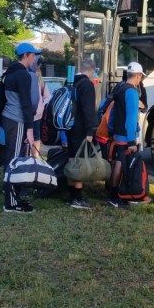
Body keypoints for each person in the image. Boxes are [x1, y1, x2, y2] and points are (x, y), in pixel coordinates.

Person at [2, 43, 41, 214]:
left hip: (9, 118)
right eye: (33, 55)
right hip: (17, 120)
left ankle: (14, 198)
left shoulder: (9, 73)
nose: (35, 58)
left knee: (14, 158)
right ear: (25, 55)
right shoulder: (23, 75)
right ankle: (10, 203)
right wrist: (30, 130)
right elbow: (26, 104)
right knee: (14, 161)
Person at [106, 62, 145, 208]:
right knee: (122, 165)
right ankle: (116, 197)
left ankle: (113, 195)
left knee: (116, 162)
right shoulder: (132, 92)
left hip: (116, 133)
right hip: (125, 136)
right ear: (139, 76)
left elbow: (113, 112)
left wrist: (111, 130)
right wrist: (131, 142)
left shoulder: (120, 88)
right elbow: (131, 117)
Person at [63, 58, 98, 209]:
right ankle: (77, 198)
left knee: (71, 160)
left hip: (68, 127)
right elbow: (88, 110)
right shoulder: (87, 85)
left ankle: (71, 195)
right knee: (80, 163)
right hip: (81, 129)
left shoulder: (69, 82)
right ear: (91, 70)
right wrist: (90, 131)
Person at [31, 59, 52, 155]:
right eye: (36, 70)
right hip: (30, 114)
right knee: (29, 136)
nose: (38, 72)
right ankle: (29, 155)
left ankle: (35, 156)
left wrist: (42, 106)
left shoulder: (42, 83)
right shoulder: (30, 81)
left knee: (36, 136)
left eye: (39, 70)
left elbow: (48, 98)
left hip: (38, 115)